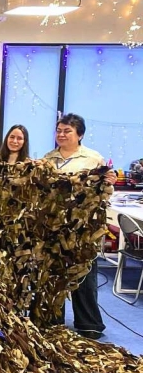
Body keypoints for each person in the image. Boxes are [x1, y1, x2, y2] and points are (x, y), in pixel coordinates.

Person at [43, 113, 117, 340]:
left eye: (67, 131)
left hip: (84, 226)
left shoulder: (93, 159)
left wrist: (110, 181)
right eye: (59, 131)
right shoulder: (48, 159)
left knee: (84, 273)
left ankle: (88, 323)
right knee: (54, 273)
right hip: (54, 224)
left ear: (80, 135)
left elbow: (106, 190)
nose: (61, 135)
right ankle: (53, 320)